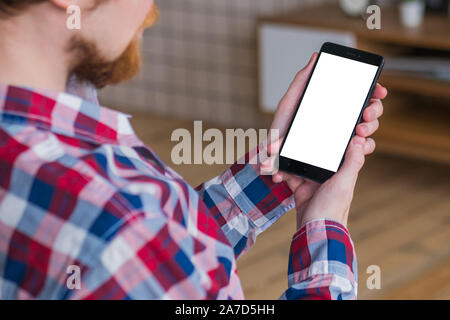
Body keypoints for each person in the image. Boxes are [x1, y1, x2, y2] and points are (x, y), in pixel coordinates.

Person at [0, 0, 387, 299]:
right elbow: (141, 245)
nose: (151, 10)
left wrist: (276, 175)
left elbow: (162, 258)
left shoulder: (117, 217)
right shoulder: (124, 224)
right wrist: (326, 225)